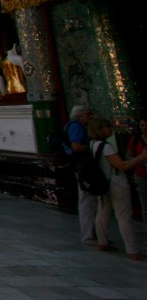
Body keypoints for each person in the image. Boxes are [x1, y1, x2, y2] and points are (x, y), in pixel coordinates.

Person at [88, 117, 147, 259]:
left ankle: (102, 242)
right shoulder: (107, 147)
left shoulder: (92, 144)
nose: (111, 129)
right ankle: (132, 250)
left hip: (103, 183)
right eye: (108, 127)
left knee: (103, 211)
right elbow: (121, 165)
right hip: (117, 183)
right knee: (124, 217)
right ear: (101, 129)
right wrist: (141, 157)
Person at [65, 105, 97, 245]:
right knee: (87, 201)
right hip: (83, 167)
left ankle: (93, 232)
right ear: (79, 115)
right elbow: (75, 146)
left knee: (89, 201)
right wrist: (93, 147)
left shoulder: (74, 126)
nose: (90, 117)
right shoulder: (76, 127)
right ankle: (88, 235)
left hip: (82, 167)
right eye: (87, 114)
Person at [127, 114, 147, 227]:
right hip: (141, 174)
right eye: (142, 125)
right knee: (145, 204)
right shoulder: (135, 140)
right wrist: (138, 159)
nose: (144, 128)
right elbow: (128, 156)